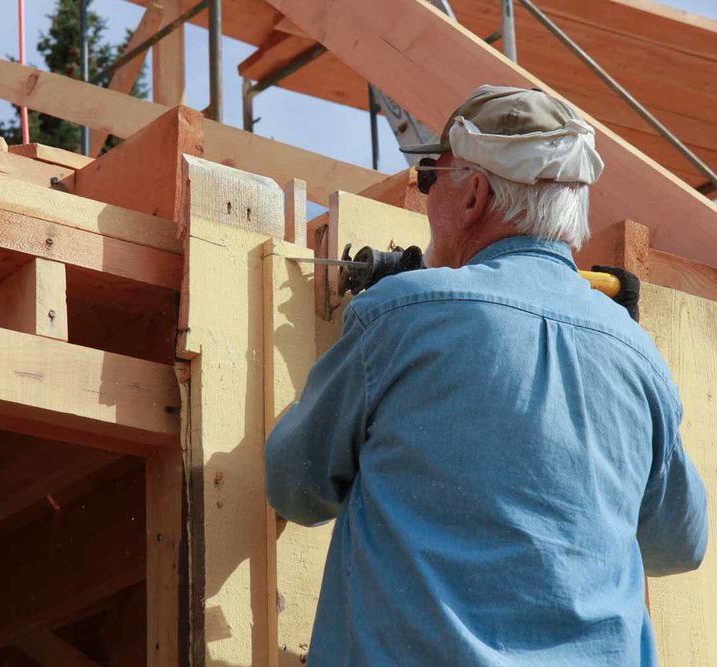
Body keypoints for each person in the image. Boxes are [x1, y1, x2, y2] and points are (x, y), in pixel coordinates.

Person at [264, 85, 707, 666]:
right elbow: (681, 544)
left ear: (472, 195)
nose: (425, 199)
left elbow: (296, 486)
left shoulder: (402, 317)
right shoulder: (639, 358)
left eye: (430, 179)